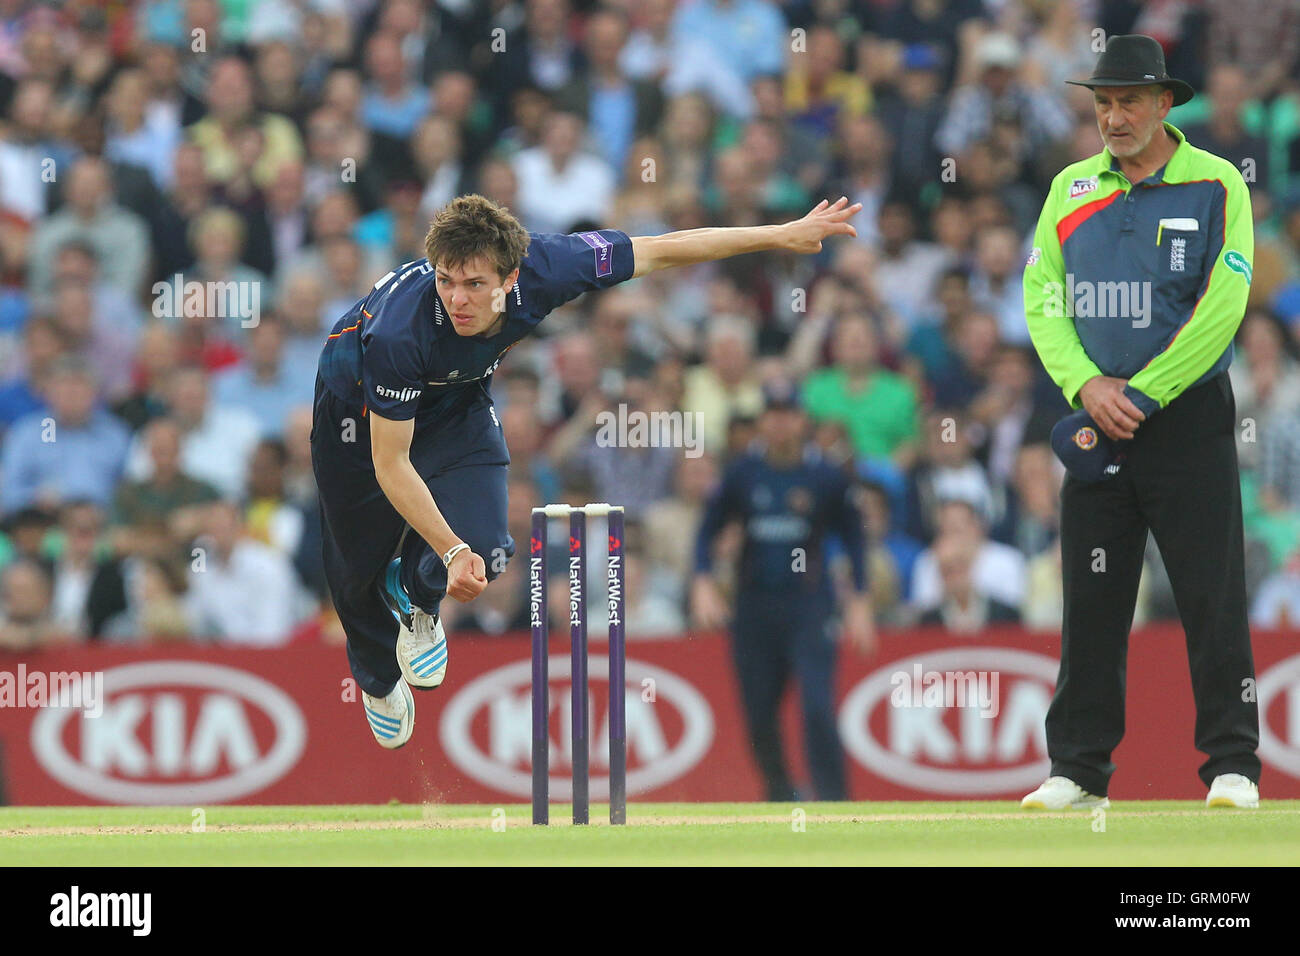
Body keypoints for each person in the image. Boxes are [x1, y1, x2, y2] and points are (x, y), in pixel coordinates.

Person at [312, 192, 861, 748]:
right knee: (356, 571)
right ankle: (379, 681)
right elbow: (391, 462)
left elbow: (660, 251)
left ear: (510, 278)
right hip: (356, 418)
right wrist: (448, 549)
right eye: (446, 280)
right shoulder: (400, 331)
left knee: (488, 545)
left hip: (456, 404)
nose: (457, 298)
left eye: (474, 284)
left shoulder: (550, 267)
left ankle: (416, 594)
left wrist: (778, 234)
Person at [1020, 36, 1261, 811]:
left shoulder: (1217, 182)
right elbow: (1043, 300)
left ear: (1165, 105)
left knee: (1210, 595)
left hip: (1185, 419)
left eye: (1128, 102)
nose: (1114, 117)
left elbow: (1222, 308)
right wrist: (1087, 384)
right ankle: (1079, 772)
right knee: (1092, 600)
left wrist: (1144, 392)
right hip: (1098, 421)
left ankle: (1232, 766)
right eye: (1103, 105)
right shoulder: (1068, 189)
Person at [690, 379, 874, 801]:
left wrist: (859, 599)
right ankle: (779, 794)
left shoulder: (825, 475)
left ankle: (834, 801)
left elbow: (855, 538)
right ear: (762, 422)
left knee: (816, 706)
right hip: (754, 607)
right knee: (758, 714)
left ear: (801, 420)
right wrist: (702, 580)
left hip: (809, 606)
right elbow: (706, 530)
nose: (779, 424)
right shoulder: (742, 472)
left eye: (788, 414)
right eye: (771, 415)